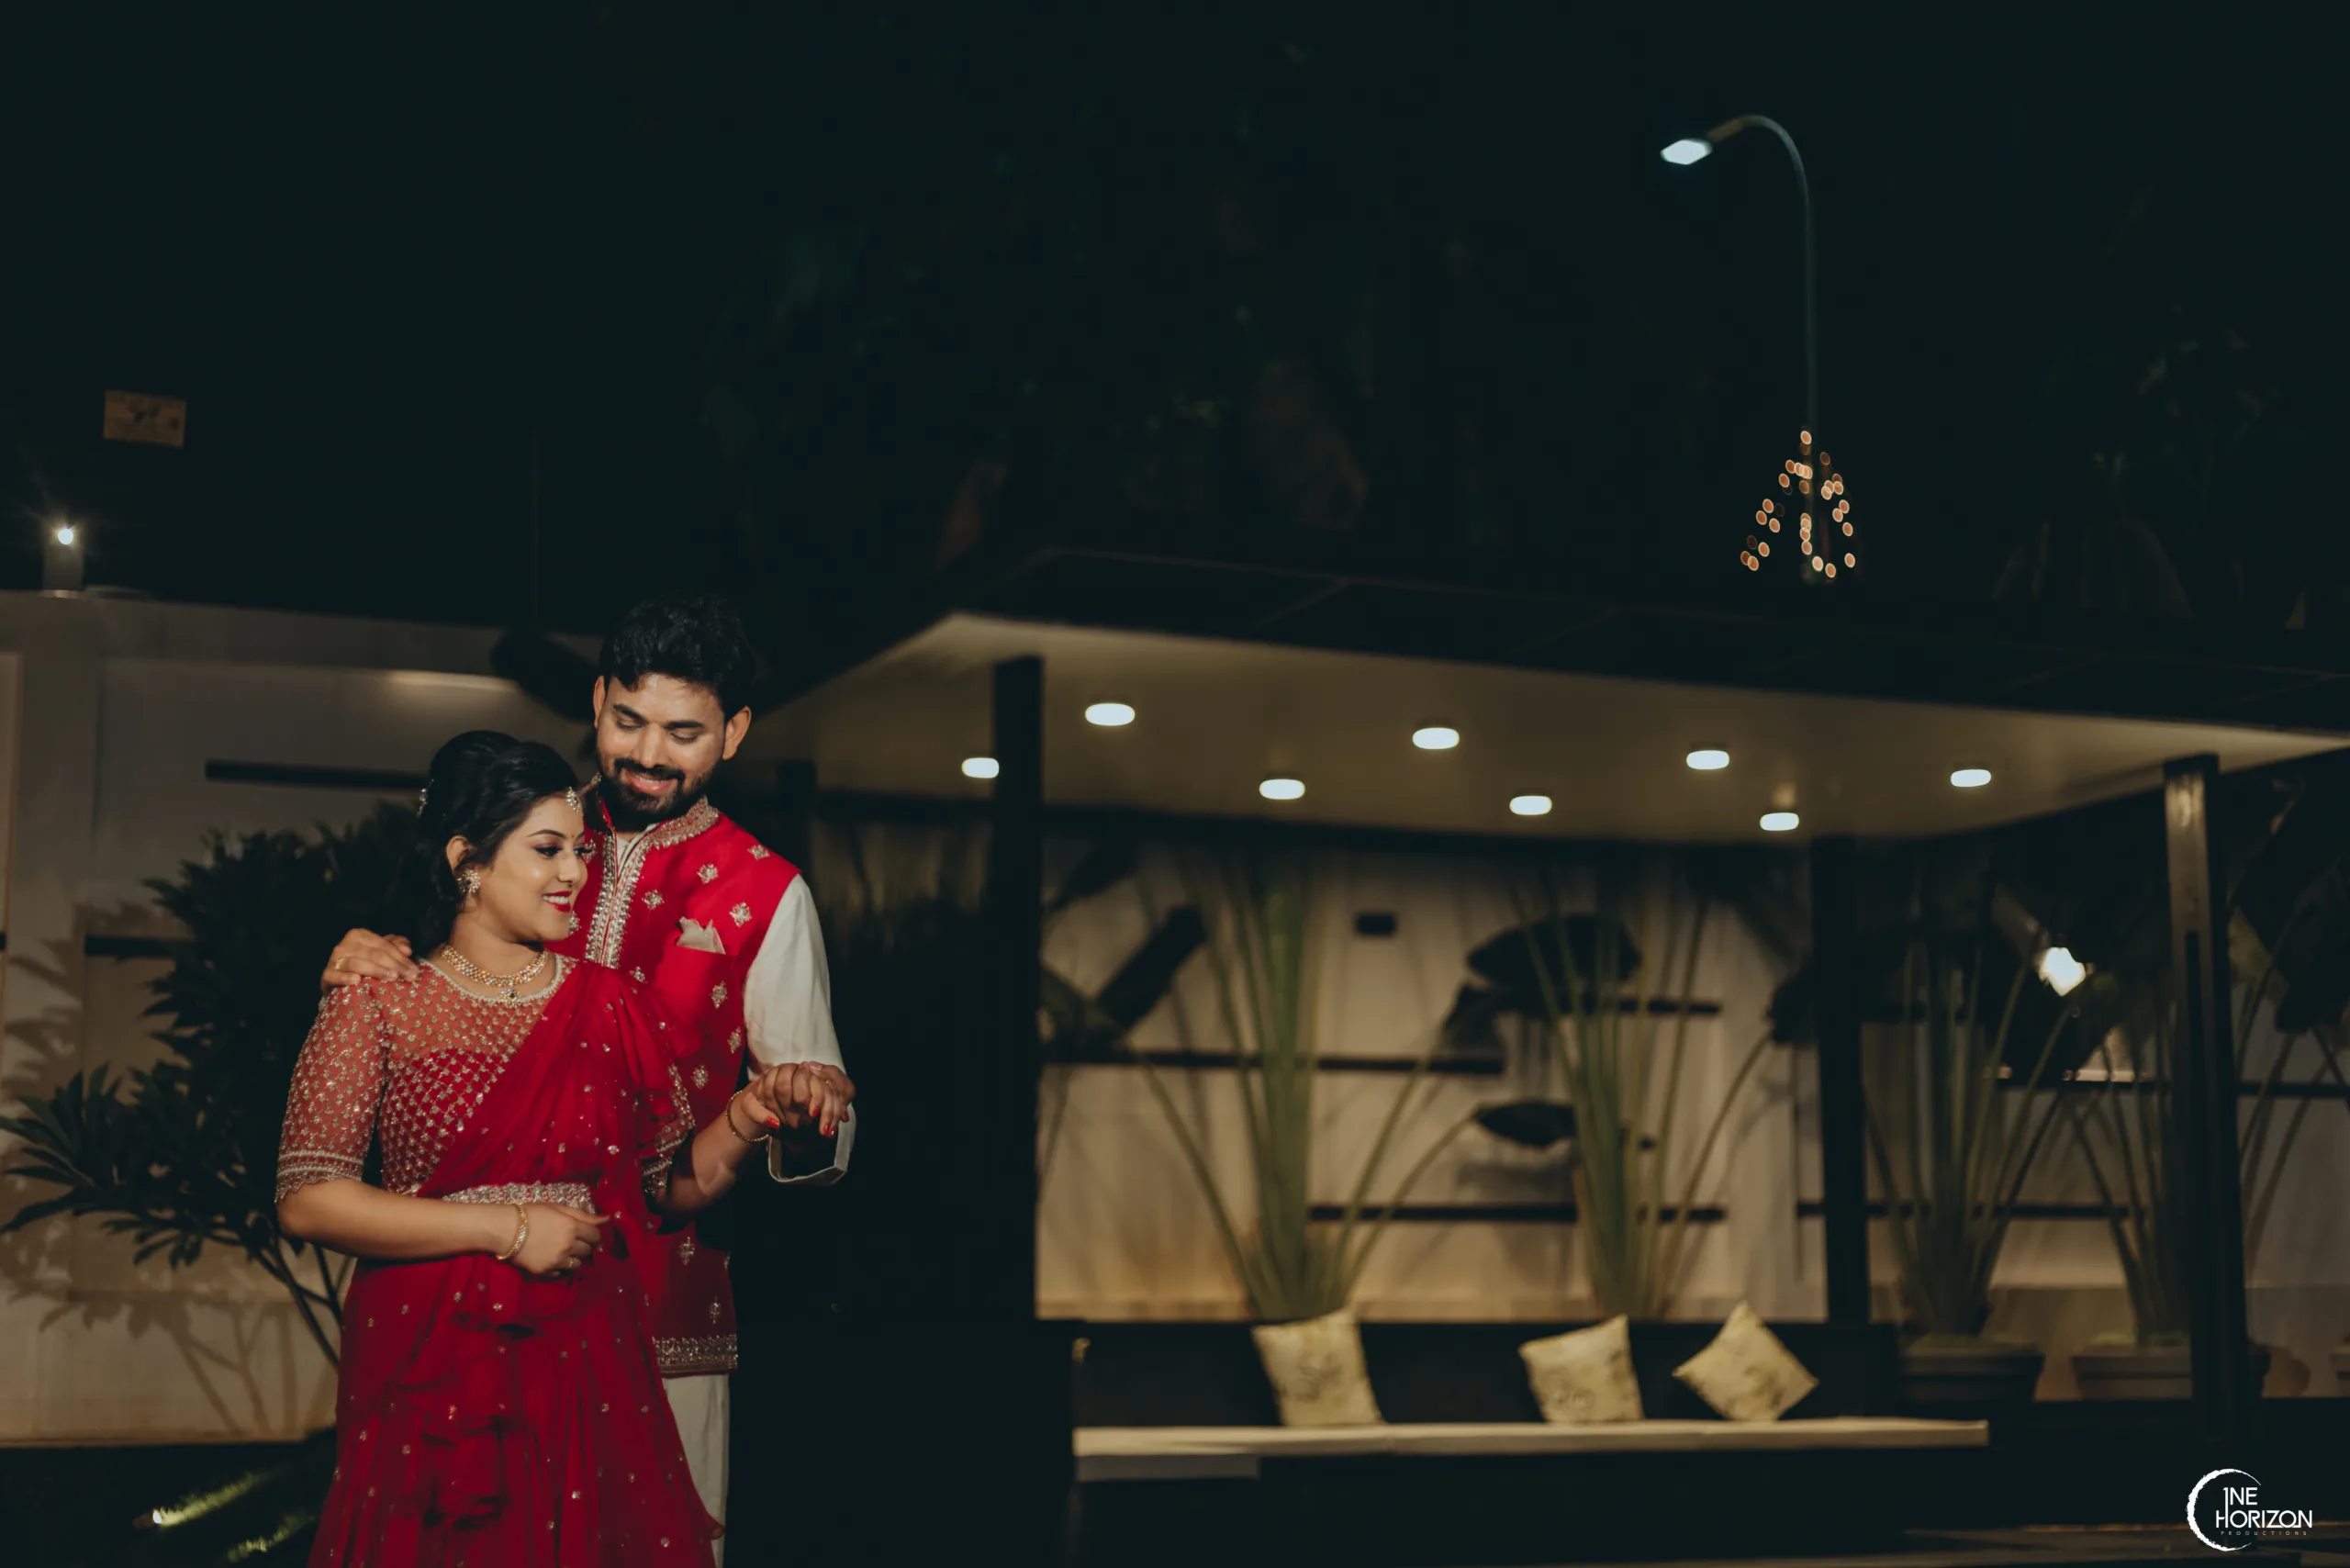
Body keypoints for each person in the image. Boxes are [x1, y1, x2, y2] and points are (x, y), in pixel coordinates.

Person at [321, 593, 854, 1556]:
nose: (647, 754)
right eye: (628, 720)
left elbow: (814, 1110)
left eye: (683, 733)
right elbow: (428, 967)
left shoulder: (766, 891)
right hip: (478, 1309)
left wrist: (797, 1109)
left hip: (667, 1310)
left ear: (733, 733)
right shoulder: (528, 833)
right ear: (599, 699)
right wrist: (369, 950)